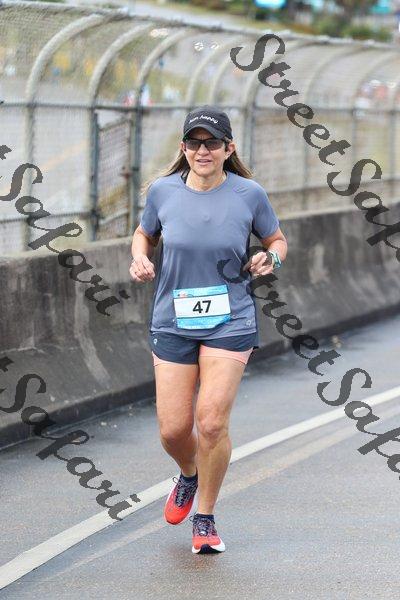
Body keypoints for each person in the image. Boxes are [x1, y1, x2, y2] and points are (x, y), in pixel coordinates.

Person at [129, 104, 287, 554]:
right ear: (183, 148)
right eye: (194, 142)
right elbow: (144, 234)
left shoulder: (249, 194)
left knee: (212, 422)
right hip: (173, 320)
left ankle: (205, 516)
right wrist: (139, 257)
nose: (203, 150)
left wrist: (271, 258)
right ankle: (189, 473)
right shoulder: (163, 192)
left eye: (212, 142)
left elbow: (277, 240)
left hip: (230, 320)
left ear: (228, 148)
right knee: (173, 430)